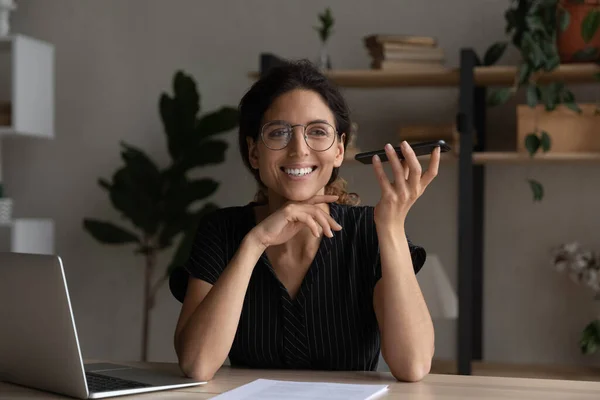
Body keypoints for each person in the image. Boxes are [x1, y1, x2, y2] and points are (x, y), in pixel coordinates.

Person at [169, 59, 440, 383]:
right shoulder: (221, 230)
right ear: (254, 152)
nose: (299, 150)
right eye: (279, 132)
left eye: (317, 132)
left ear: (339, 149)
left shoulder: (370, 232)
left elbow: (412, 366)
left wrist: (392, 227)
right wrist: (255, 243)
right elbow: (197, 364)